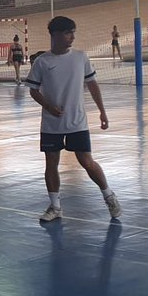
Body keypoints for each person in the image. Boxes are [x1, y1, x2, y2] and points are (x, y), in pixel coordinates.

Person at [26, 16, 121, 223]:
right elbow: (33, 90)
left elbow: (92, 84)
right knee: (51, 164)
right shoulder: (42, 62)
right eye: (69, 33)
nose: (73, 37)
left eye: (73, 32)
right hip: (52, 125)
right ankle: (55, 206)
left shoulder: (81, 57)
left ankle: (109, 195)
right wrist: (49, 106)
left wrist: (102, 111)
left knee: (86, 161)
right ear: (56, 35)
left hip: (77, 122)